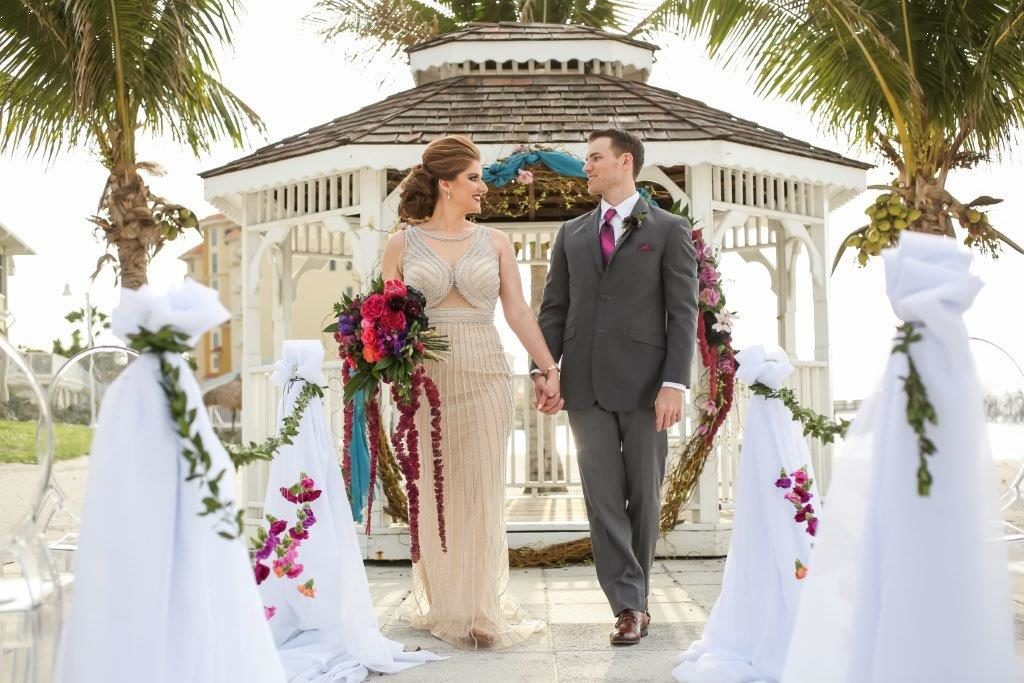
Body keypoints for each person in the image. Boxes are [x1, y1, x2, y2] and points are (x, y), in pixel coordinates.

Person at [380, 134, 557, 649]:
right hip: (426, 379)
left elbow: (518, 312)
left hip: (485, 373)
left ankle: (480, 609)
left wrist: (549, 366)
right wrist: (385, 369)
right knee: (435, 489)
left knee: (480, 488)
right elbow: (383, 317)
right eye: (475, 178)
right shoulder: (402, 243)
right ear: (446, 184)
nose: (483, 187)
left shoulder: (496, 241)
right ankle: (446, 604)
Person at [533, 129, 699, 645]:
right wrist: (544, 368)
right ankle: (628, 605)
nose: (587, 167)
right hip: (583, 384)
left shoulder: (669, 229)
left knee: (643, 497)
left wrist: (675, 383)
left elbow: (683, 311)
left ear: (625, 162)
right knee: (602, 499)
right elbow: (554, 309)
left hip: (650, 386)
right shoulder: (572, 233)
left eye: (595, 158)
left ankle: (637, 596)